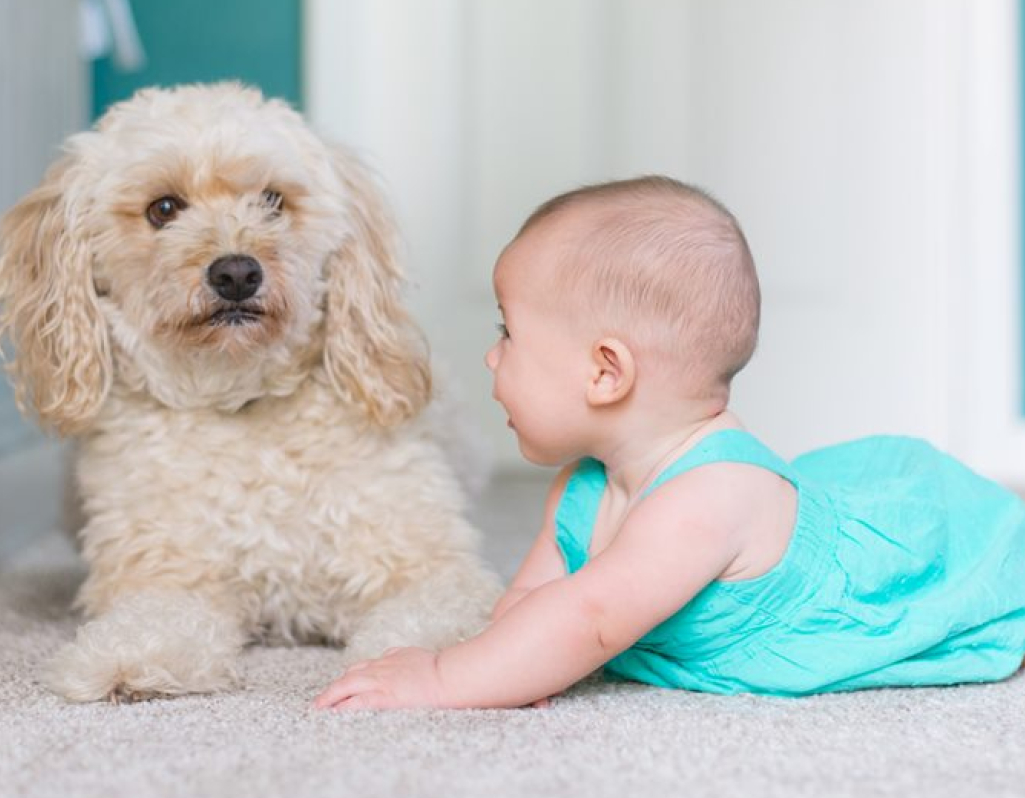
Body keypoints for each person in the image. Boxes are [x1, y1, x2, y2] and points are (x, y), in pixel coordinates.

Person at [314, 175, 1025, 710]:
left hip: (881, 568)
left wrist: (442, 680)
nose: (490, 357)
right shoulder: (583, 484)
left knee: (989, 565)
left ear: (604, 371)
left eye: (508, 333)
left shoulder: (707, 499)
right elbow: (534, 603)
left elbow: (586, 623)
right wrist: (499, 658)